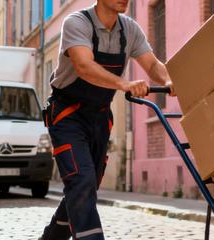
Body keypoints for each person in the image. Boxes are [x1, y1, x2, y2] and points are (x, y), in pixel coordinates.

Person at [39, 0, 173, 239]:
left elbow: (152, 64)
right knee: (81, 179)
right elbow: (83, 65)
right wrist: (124, 84)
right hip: (68, 115)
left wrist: (169, 81)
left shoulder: (129, 29)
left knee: (85, 186)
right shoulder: (77, 23)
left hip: (99, 117)